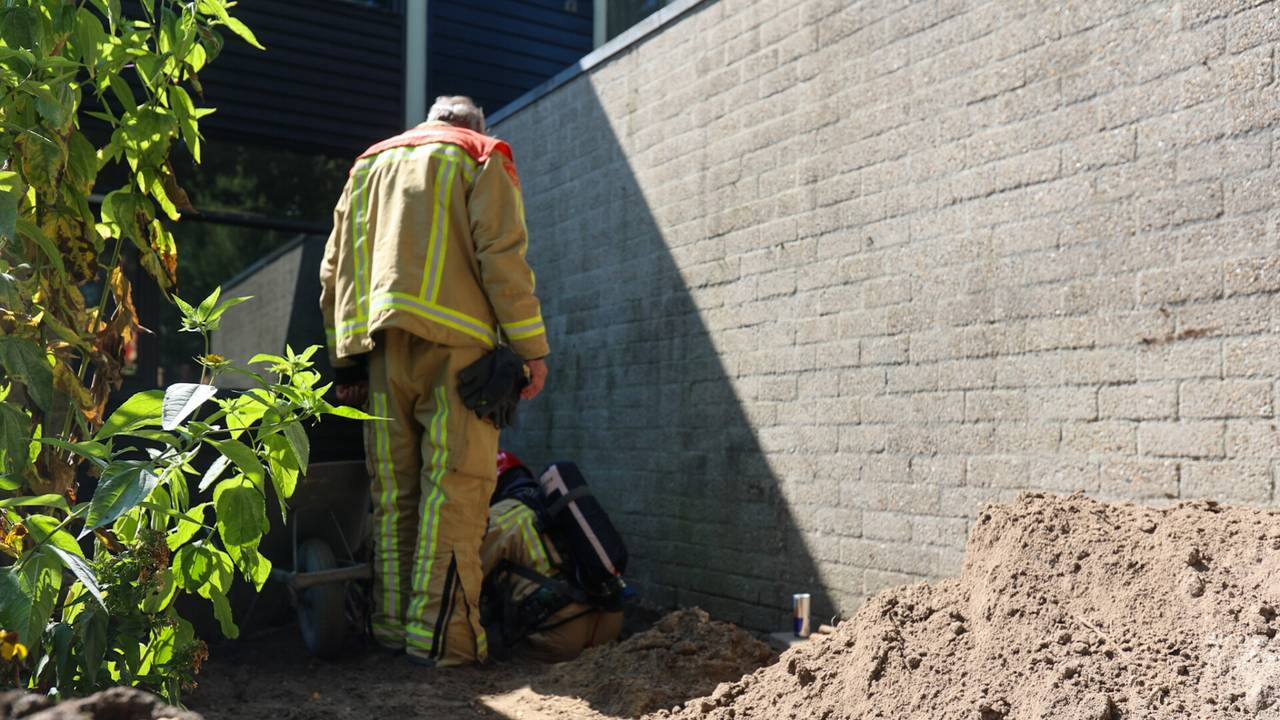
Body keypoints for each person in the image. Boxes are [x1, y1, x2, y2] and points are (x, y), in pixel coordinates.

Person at [319, 96, 550, 667]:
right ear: (474, 126)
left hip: (381, 357)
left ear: (430, 120)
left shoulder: (366, 166)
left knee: (395, 498)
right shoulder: (481, 155)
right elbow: (503, 256)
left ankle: (392, 633)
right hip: (461, 361)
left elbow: (334, 271)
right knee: (455, 495)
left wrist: (346, 364)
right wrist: (531, 351)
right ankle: (445, 646)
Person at [479, 452, 623, 662]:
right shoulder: (555, 503)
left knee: (498, 652)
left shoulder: (502, 515)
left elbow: (466, 571)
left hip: (559, 635)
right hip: (609, 624)